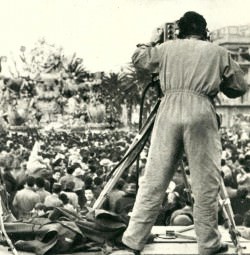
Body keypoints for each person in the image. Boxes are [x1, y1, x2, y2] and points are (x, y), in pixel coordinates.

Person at [121, 11, 248, 255]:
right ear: (205, 31)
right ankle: (209, 243)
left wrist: (153, 38)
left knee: (155, 177)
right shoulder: (218, 52)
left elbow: (139, 58)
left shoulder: (167, 47)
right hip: (201, 112)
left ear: (179, 31)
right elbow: (238, 87)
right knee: (205, 182)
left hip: (168, 110)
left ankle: (134, 237)